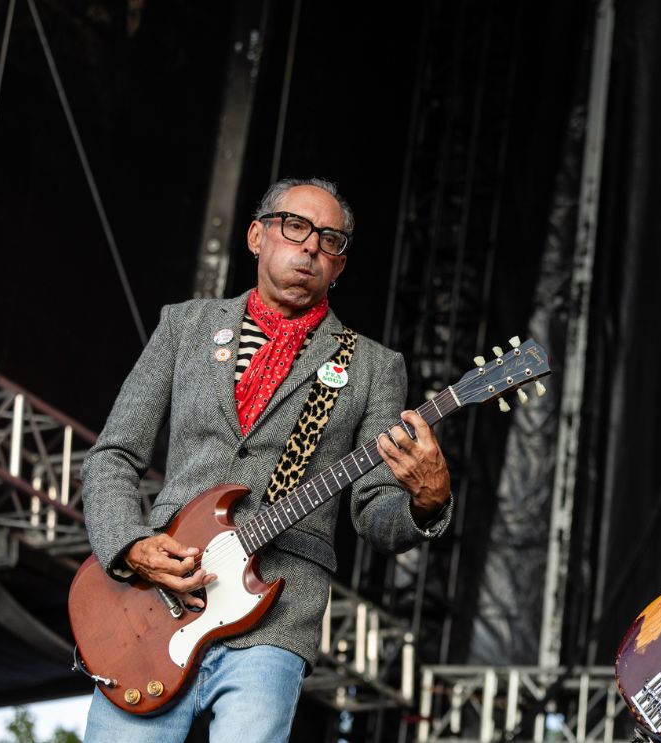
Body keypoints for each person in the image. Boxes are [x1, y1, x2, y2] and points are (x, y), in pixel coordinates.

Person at [79, 177, 453, 741]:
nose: (310, 247)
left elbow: (375, 509)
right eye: (295, 226)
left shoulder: (373, 366)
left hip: (276, 615)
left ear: (340, 266)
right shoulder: (186, 326)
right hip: (156, 602)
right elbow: (112, 455)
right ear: (257, 235)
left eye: (330, 240)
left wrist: (428, 502)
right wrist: (131, 546)